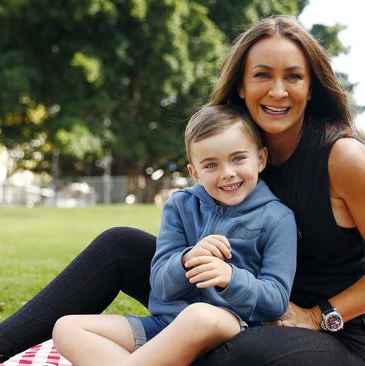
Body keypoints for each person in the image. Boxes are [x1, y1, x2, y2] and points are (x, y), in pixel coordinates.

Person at [0, 15, 365, 366]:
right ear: (241, 84)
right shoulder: (237, 155)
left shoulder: (342, 156)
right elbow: (181, 248)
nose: (277, 90)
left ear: (313, 83)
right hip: (217, 303)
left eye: (293, 76)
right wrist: (190, 254)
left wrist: (317, 315)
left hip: (313, 333)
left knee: (239, 348)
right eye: (262, 75)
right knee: (121, 244)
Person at [51, 104, 297, 366]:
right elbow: (160, 284)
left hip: (231, 328)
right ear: (195, 173)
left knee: (199, 315)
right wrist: (186, 260)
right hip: (164, 326)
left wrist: (230, 278)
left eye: (238, 158)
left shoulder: (278, 218)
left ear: (260, 158)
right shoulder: (180, 206)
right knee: (66, 328)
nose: (227, 172)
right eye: (211, 164)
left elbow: (276, 299)